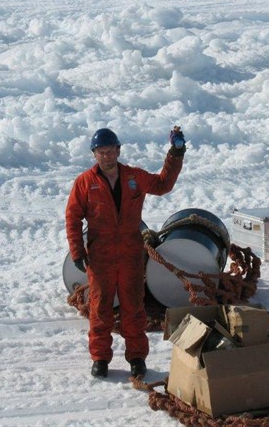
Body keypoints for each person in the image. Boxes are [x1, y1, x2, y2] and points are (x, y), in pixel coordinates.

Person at [65, 126, 185, 378]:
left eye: (111, 151)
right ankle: (100, 358)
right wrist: (77, 251)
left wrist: (176, 153)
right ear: (94, 154)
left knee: (133, 308)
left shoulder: (134, 177)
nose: (107, 156)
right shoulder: (85, 182)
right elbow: (73, 217)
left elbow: (163, 184)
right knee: (100, 309)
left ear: (118, 151)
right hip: (100, 257)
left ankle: (137, 358)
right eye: (101, 152)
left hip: (131, 254)